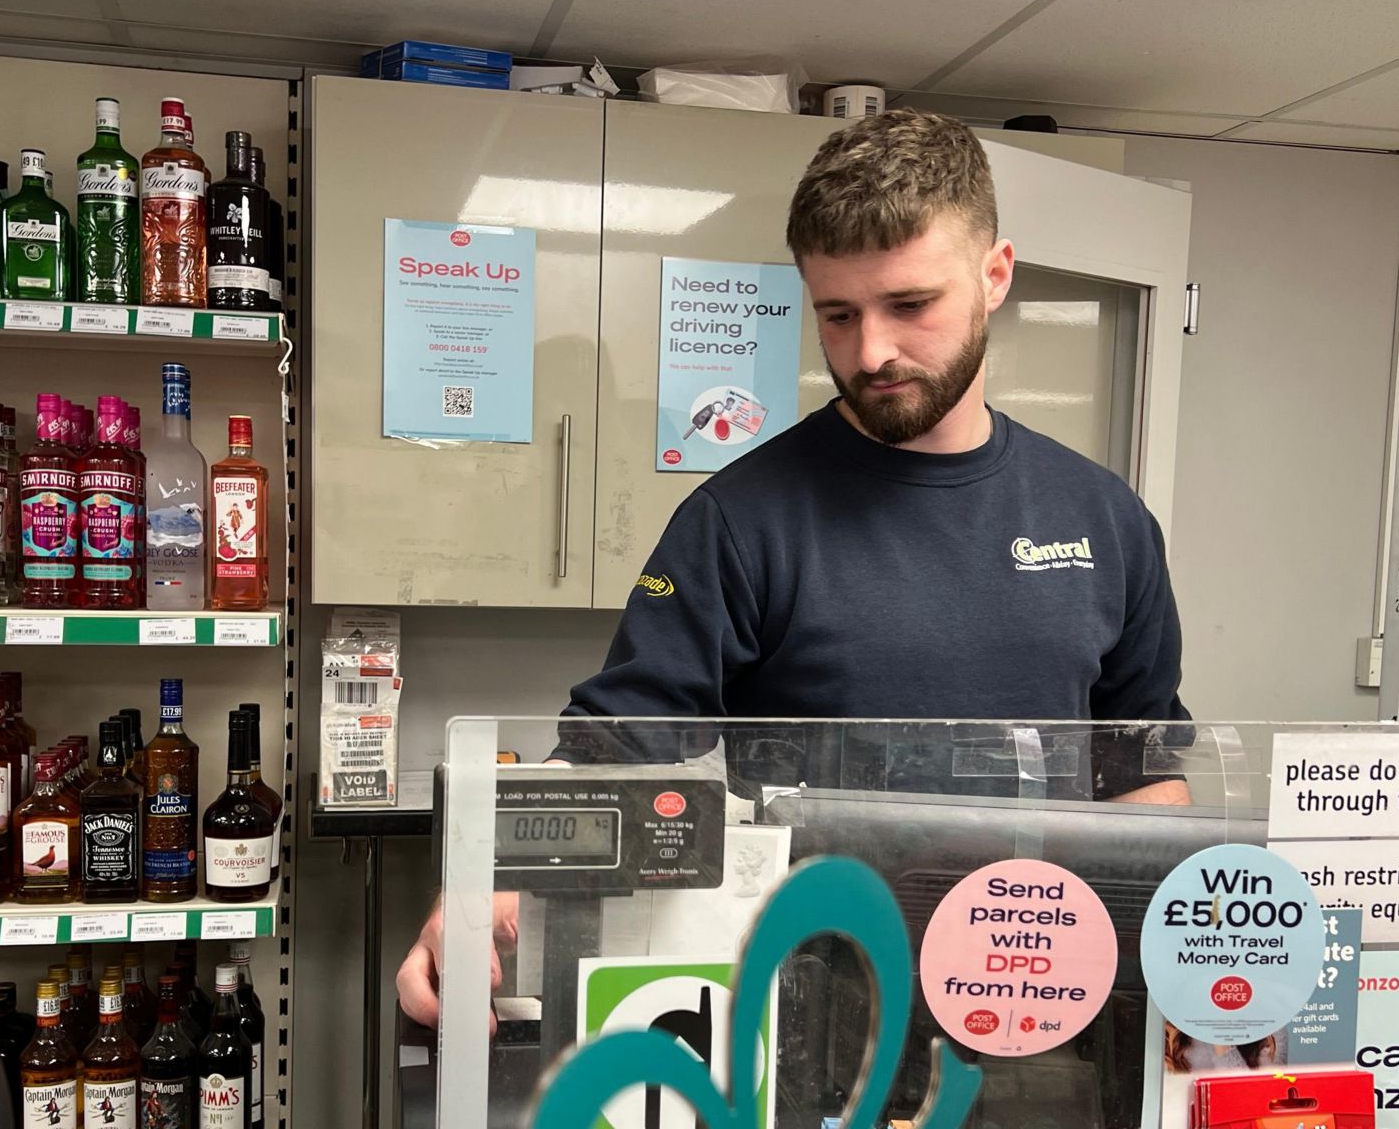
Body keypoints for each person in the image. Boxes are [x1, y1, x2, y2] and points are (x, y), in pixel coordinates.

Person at [396, 109, 1189, 1027]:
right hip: (814, 1012)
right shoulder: (741, 521)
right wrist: (486, 884)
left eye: (910, 305)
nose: (871, 353)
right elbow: (618, 743)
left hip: (1045, 1003)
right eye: (838, 316)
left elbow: (1142, 771)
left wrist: (1177, 961)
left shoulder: (1103, 518)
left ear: (995, 274)